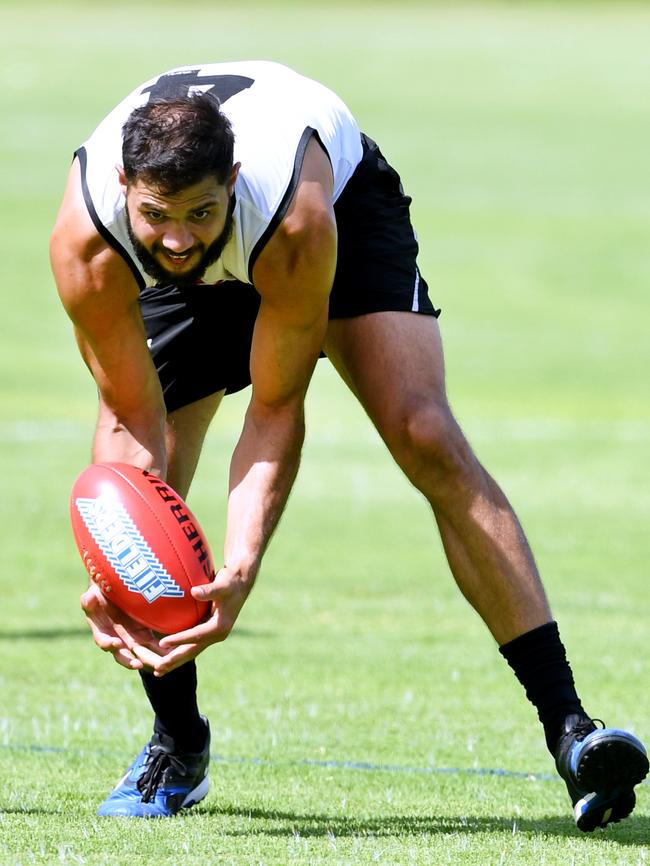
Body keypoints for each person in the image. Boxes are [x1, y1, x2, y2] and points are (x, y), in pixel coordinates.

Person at [50, 60, 647, 827]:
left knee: (423, 431)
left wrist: (240, 566)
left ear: (231, 179)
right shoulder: (90, 242)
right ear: (126, 184)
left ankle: (571, 730)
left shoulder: (293, 222)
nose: (175, 238)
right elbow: (130, 424)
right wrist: (117, 561)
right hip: (215, 225)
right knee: (140, 490)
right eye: (158, 214)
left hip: (334, 207)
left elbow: (276, 407)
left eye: (199, 214)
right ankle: (178, 738)